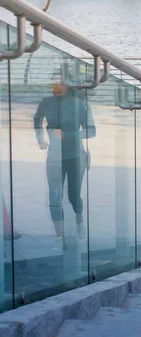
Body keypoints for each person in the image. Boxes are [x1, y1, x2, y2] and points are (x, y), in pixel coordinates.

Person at [34, 72, 95, 250]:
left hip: (76, 157)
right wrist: (40, 139)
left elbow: (91, 131)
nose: (57, 87)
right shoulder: (46, 102)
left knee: (73, 195)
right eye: (54, 83)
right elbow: (37, 119)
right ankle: (59, 237)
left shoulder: (79, 104)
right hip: (54, 156)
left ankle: (79, 219)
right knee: (54, 196)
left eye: (60, 83)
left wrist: (68, 135)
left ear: (68, 85)